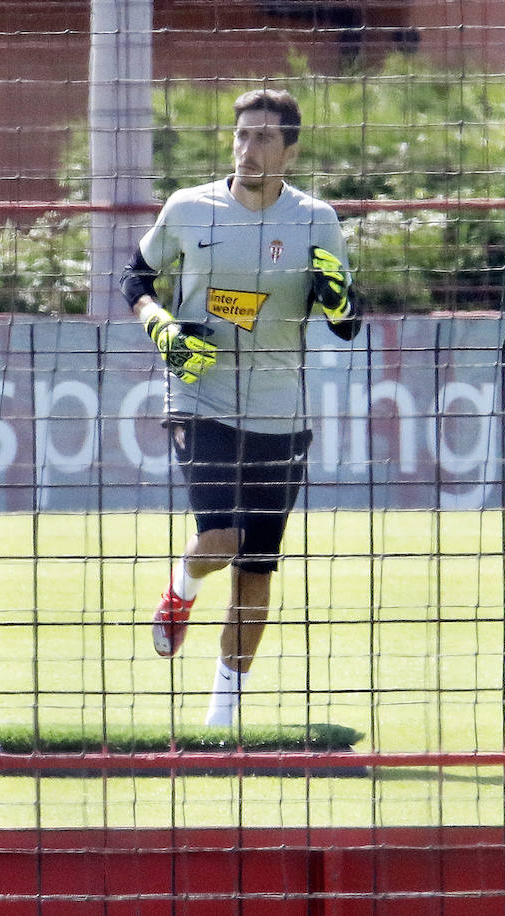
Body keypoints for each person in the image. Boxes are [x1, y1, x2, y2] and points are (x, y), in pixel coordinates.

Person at [118, 88, 362, 727]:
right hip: (201, 398)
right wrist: (161, 328)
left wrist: (338, 301)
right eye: (241, 135)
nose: (247, 149)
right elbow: (134, 279)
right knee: (221, 536)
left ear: (290, 148)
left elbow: (345, 322)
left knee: (256, 570)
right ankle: (182, 589)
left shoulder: (316, 220)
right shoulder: (189, 208)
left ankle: (220, 723)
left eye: (263, 138)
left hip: (282, 415)